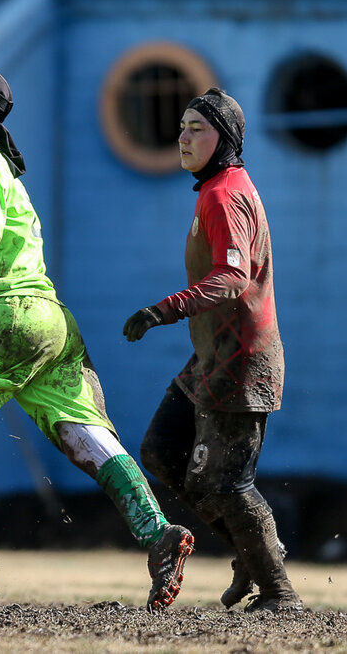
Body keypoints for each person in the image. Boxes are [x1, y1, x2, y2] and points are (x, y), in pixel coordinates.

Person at [0, 65, 194, 609]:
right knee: (85, 436)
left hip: (10, 317)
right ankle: (158, 532)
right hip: (48, 317)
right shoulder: (5, 169)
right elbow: (6, 253)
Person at [124, 88, 301, 613]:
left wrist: (164, 309)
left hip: (241, 362)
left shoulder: (224, 193)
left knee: (226, 483)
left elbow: (231, 276)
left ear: (224, 138)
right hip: (211, 359)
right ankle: (253, 554)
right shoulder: (217, 188)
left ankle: (277, 590)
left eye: (196, 128)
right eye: (181, 126)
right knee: (161, 450)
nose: (183, 137)